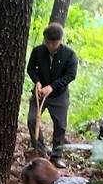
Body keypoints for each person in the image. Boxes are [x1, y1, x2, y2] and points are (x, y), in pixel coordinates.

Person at [26, 22, 78, 169]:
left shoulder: (69, 55)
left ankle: (56, 156)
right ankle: (40, 151)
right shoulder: (38, 51)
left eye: (53, 43)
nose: (50, 46)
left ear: (60, 41)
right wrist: (37, 82)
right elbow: (31, 69)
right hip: (40, 93)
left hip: (59, 96)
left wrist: (53, 87)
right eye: (47, 42)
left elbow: (71, 75)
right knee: (32, 119)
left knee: (60, 125)